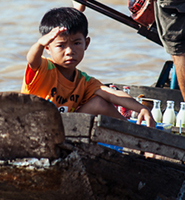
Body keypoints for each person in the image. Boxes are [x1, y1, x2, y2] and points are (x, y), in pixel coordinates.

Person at [23, 7, 155, 126]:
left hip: (65, 129)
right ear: (48, 47)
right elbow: (32, 60)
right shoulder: (44, 68)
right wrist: (39, 44)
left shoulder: (83, 81)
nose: (69, 51)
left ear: (86, 44)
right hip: (34, 127)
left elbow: (111, 94)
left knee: (99, 102)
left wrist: (142, 108)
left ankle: (132, 135)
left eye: (76, 43)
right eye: (61, 45)